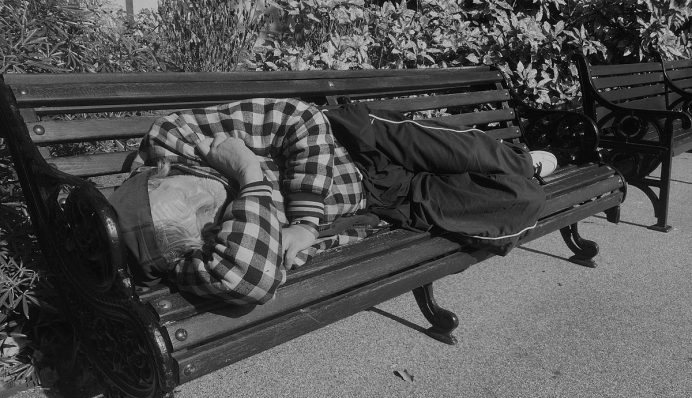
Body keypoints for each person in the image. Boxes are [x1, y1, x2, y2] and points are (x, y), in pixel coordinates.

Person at [110, 97, 550, 306]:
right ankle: (524, 172)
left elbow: (299, 118)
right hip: (378, 203)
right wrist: (249, 178)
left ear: (161, 174)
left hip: (361, 143)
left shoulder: (177, 139)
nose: (214, 208)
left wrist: (302, 220)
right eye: (207, 224)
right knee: (520, 202)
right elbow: (247, 281)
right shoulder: (177, 251)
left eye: (194, 198)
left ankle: (523, 159)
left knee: (479, 157)